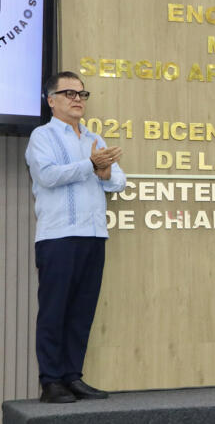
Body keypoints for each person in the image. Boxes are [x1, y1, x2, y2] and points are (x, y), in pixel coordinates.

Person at [25, 71, 126, 403]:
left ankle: (72, 376)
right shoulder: (42, 136)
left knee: (82, 311)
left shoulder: (93, 138)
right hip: (58, 237)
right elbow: (48, 175)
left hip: (94, 235)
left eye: (82, 94)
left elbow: (117, 182)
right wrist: (90, 165)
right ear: (51, 100)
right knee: (55, 311)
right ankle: (51, 381)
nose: (77, 99)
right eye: (68, 93)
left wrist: (105, 171)